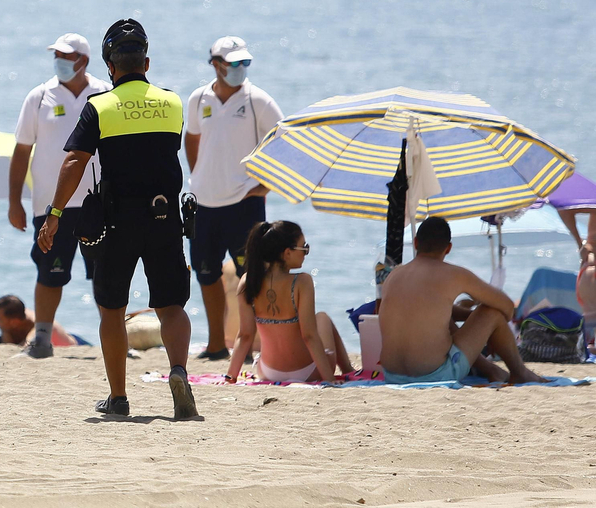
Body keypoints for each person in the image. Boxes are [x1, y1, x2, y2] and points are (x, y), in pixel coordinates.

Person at [38, 18, 198, 419]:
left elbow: (75, 160)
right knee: (171, 305)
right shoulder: (172, 103)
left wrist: (55, 214)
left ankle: (119, 397)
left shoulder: (99, 107)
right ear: (147, 62)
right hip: (165, 218)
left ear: (110, 66)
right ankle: (178, 371)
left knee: (112, 309)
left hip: (118, 221)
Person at [8, 33, 111, 358]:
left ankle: (114, 336)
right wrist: (15, 202)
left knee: (106, 272)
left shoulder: (105, 94)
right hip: (50, 205)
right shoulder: (39, 97)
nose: (60, 61)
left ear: (83, 60)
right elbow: (21, 151)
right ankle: (41, 339)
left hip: (97, 202)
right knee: (50, 272)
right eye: (58, 56)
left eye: (66, 56)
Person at [184, 35, 284, 362]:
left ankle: (260, 345)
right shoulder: (198, 99)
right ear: (216, 64)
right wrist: (199, 175)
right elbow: (192, 137)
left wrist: (265, 186)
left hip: (244, 204)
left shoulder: (259, 101)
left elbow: (283, 143)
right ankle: (215, 345)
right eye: (234, 63)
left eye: (246, 63)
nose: (241, 69)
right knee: (206, 274)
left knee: (253, 277)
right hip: (203, 205)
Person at [379, 216, 545, 385]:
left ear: (415, 243)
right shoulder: (454, 274)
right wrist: (490, 330)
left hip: (392, 375)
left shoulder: (394, 275)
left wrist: (470, 317)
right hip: (435, 374)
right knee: (491, 313)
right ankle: (520, 372)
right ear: (448, 248)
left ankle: (492, 370)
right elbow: (507, 308)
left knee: (443, 321)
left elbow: (431, 310)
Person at [223, 222, 353, 384]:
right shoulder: (302, 282)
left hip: (267, 372)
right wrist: (329, 379)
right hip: (307, 371)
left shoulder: (247, 281)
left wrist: (230, 377)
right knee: (322, 317)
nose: (306, 253)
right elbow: (309, 335)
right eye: (303, 248)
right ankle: (348, 370)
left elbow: (245, 335)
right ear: (287, 253)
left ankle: (348, 369)